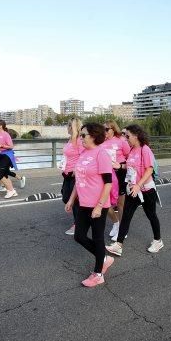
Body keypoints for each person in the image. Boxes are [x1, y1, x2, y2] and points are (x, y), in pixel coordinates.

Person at [65, 123, 114, 288]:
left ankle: (98, 274)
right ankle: (105, 258)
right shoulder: (84, 153)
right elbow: (79, 180)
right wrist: (72, 200)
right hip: (84, 203)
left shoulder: (102, 154)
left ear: (93, 136)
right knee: (79, 236)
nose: (80, 138)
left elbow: (108, 183)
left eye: (83, 135)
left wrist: (100, 206)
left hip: (98, 204)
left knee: (98, 238)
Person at [106, 125, 163, 256]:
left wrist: (139, 185)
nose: (126, 139)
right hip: (133, 189)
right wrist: (119, 166)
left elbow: (149, 169)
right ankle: (118, 245)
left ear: (136, 136)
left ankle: (158, 240)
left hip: (146, 190)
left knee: (151, 215)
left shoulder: (145, 149)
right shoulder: (132, 150)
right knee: (126, 215)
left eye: (128, 136)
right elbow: (130, 165)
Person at [101, 121, 131, 240]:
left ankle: (122, 229)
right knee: (104, 201)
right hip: (107, 173)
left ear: (113, 129)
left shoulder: (121, 141)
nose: (104, 132)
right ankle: (116, 223)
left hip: (120, 173)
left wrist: (121, 166)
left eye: (107, 129)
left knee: (120, 204)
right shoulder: (101, 142)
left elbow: (131, 158)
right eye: (103, 129)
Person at [0, 119, 26, 199]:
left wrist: (2, 146)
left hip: (7, 155)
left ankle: (11, 190)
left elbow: (11, 146)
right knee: (4, 173)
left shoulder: (5, 134)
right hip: (1, 155)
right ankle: (11, 191)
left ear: (0, 126)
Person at [60, 118, 83, 235]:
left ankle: (78, 225)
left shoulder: (79, 140)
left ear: (72, 127)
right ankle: (82, 220)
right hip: (67, 173)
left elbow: (83, 155)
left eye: (68, 126)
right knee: (65, 197)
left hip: (75, 175)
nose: (67, 128)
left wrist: (76, 169)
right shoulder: (70, 140)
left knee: (74, 200)